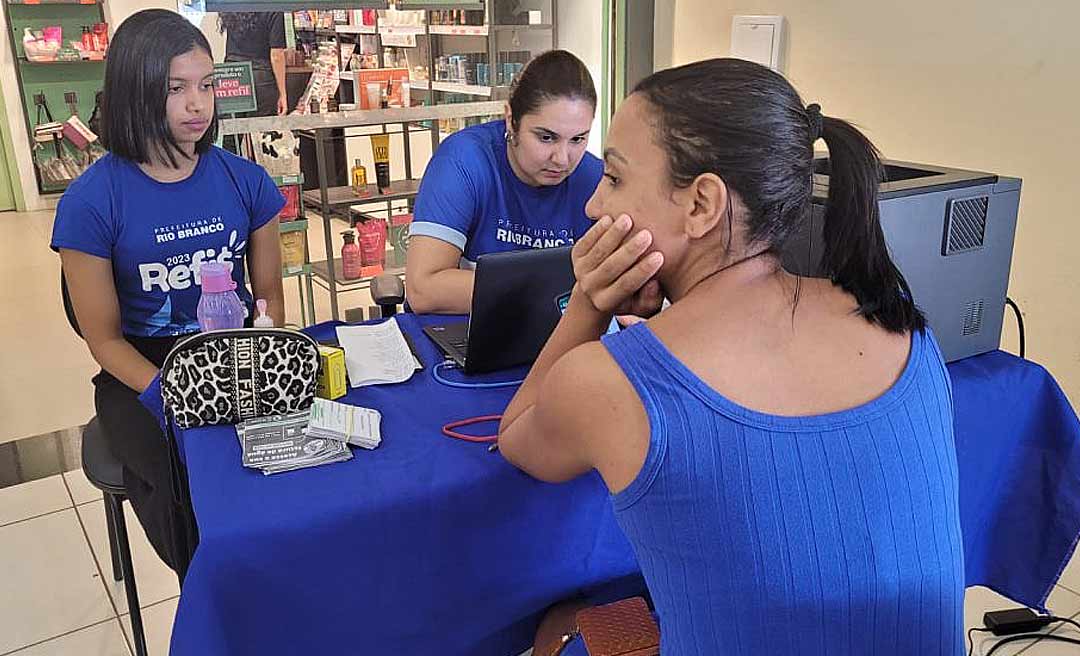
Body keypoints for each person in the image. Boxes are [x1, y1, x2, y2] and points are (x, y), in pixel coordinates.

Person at [498, 58, 964, 655]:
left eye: (612, 179)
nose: (591, 206)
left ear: (702, 205)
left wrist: (589, 301)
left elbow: (517, 440)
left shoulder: (610, 382)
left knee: (557, 621)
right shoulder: (903, 326)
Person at [51, 9, 286, 582]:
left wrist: (260, 349)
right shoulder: (91, 201)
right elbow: (103, 340)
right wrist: (174, 392)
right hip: (141, 372)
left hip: (233, 354)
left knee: (291, 475)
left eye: (205, 85)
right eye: (176, 88)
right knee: (191, 500)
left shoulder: (245, 180)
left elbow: (270, 298)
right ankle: (221, 609)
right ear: (135, 91)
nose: (197, 105)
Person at [406, 49, 602, 314]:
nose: (562, 159)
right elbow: (423, 290)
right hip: (460, 326)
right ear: (511, 120)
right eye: (546, 137)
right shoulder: (463, 162)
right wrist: (552, 290)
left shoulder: (595, 178)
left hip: (551, 333)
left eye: (578, 139)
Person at [219, 11, 288, 117]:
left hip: (231, 74)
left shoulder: (235, 5)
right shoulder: (272, 7)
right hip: (260, 77)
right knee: (260, 128)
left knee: (232, 128)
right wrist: (283, 94)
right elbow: (277, 55)